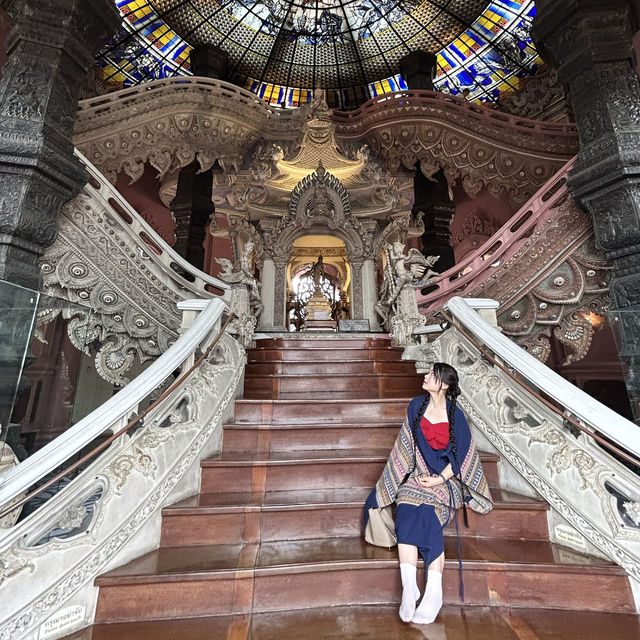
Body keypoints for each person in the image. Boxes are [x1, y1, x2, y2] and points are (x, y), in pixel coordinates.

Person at [364, 363, 493, 624]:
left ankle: (434, 590)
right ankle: (409, 588)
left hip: (447, 480)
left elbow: (462, 457)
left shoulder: (456, 415)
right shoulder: (416, 406)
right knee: (407, 506)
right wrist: (399, 482)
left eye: (432, 375)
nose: (426, 376)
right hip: (419, 474)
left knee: (428, 513)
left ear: (444, 385)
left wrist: (438, 480)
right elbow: (404, 446)